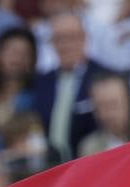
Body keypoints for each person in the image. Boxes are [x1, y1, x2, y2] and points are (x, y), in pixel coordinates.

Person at [32, 11, 112, 160]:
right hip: (49, 167)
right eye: (59, 39)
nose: (66, 45)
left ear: (84, 38)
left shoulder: (104, 78)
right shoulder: (42, 82)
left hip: (90, 162)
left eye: (71, 37)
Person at [79, 72, 130, 155]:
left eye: (114, 105)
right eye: (100, 106)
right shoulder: (89, 147)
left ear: (129, 101)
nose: (108, 114)